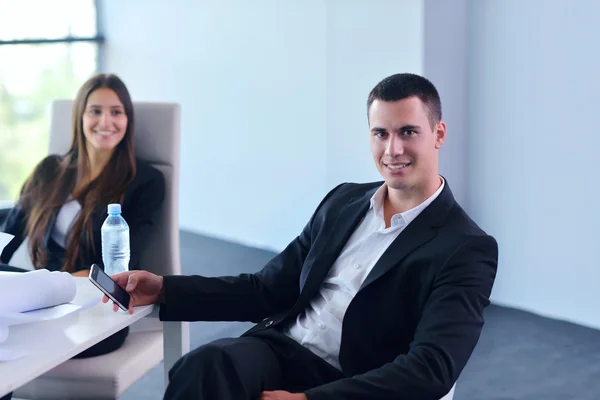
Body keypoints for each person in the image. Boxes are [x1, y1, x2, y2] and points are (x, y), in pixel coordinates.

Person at [107, 73, 498, 400]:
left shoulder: (465, 247)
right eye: (380, 133)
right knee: (205, 366)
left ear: (439, 133)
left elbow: (432, 367)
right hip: (282, 349)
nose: (392, 149)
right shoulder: (344, 201)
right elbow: (267, 288)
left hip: (353, 378)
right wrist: (163, 289)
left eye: (408, 132)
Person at [0, 73, 165, 359]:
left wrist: (54, 286)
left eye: (116, 112)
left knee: (10, 337)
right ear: (80, 117)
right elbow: (10, 235)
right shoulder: (50, 170)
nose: (105, 122)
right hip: (39, 297)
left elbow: (123, 264)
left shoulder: (145, 180)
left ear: (128, 120)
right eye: (95, 111)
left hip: (94, 306)